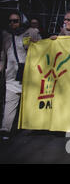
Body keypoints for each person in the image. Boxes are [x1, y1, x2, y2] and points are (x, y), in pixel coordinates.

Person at [0, 11, 41, 140]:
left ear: (21, 21)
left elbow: (43, 47)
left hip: (29, 72)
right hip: (11, 73)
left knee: (32, 99)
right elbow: (3, 53)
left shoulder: (31, 32)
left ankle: (35, 125)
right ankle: (6, 129)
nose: (13, 23)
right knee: (10, 101)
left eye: (16, 21)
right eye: (10, 21)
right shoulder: (5, 34)